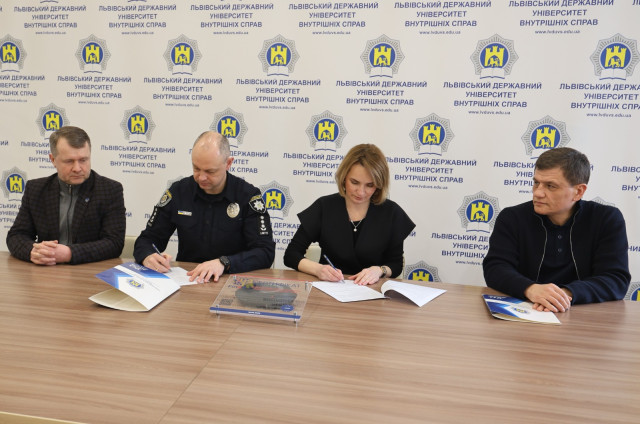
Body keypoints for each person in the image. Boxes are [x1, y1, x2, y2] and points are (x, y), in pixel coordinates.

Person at [483, 147, 630, 312]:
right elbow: (495, 268)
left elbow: (615, 279)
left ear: (578, 192)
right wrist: (530, 289)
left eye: (550, 186)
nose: (538, 193)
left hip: (582, 313)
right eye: (536, 183)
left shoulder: (606, 219)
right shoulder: (512, 217)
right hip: (526, 308)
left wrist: (562, 295)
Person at [133, 131, 275, 283]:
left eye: (210, 171)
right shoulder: (178, 191)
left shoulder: (248, 196)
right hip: (188, 280)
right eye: (196, 168)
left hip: (231, 282)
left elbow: (265, 252)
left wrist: (224, 263)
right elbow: (147, 239)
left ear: (228, 163)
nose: (201, 177)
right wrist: (148, 255)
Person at [284, 143, 415, 285]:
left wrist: (379, 270)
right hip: (329, 289)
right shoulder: (324, 206)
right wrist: (318, 269)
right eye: (354, 182)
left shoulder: (392, 212)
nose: (361, 192)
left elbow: (395, 264)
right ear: (344, 177)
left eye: (370, 185)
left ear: (379, 185)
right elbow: (291, 254)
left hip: (373, 291)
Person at [6, 126, 126, 265]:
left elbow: (114, 243)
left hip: (89, 270)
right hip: (46, 270)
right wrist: (34, 252)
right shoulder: (36, 189)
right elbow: (16, 235)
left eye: (83, 160)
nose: (77, 168)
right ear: (53, 160)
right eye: (69, 161)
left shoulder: (110, 190)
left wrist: (69, 253)